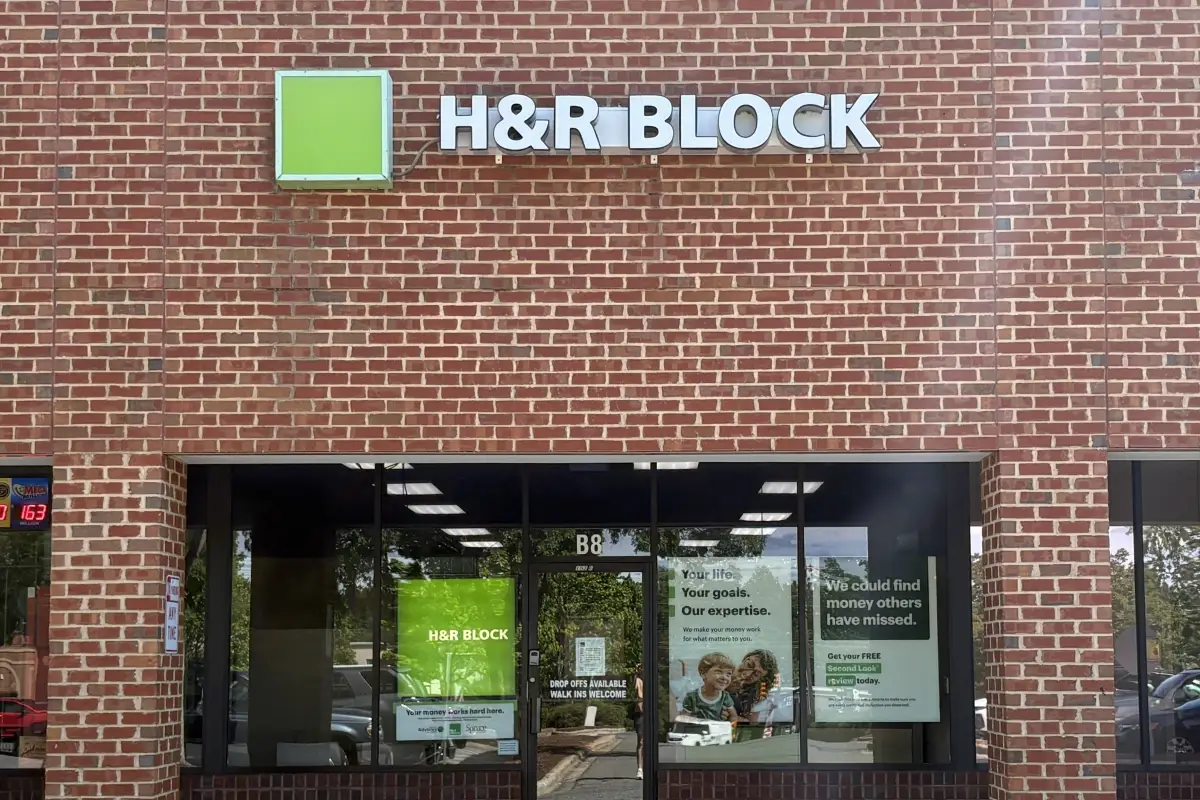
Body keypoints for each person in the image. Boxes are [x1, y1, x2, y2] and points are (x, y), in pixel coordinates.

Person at [680, 652, 738, 722]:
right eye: (719, 671)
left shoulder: (725, 697)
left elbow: (733, 716)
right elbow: (684, 719)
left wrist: (731, 727)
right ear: (703, 674)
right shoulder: (692, 697)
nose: (724, 677)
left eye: (728, 674)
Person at [633, 663, 644, 779]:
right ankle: (640, 769)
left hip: (650, 714)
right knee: (641, 742)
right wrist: (636, 674)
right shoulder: (639, 681)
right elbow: (635, 687)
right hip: (641, 714)